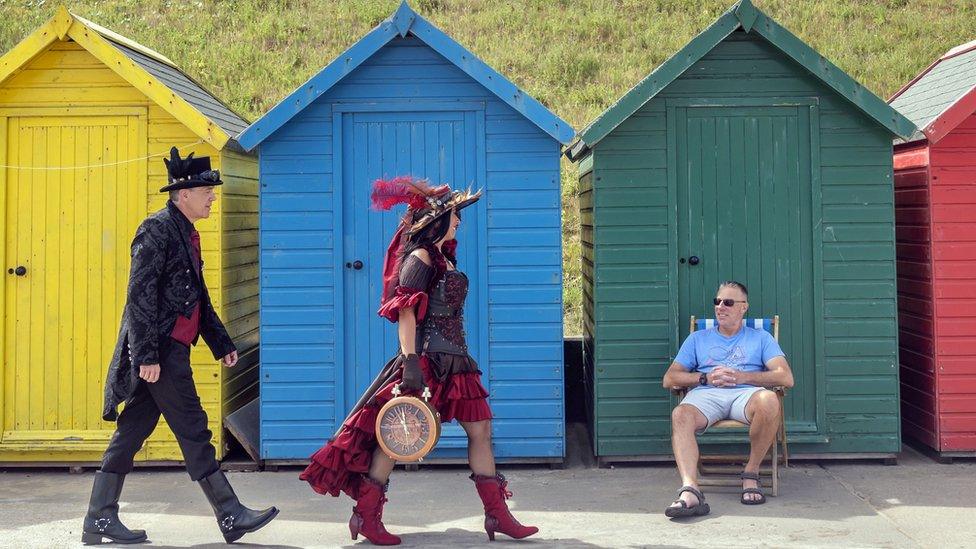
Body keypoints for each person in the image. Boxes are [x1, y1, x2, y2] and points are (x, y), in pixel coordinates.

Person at [299, 176, 537, 545]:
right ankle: (366, 516)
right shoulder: (421, 257)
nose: (458, 221)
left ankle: (497, 515)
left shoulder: (442, 256)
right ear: (437, 222)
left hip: (456, 361)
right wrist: (411, 363)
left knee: (481, 430)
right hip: (426, 359)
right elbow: (406, 313)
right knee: (396, 436)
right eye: (454, 216)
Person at [81, 147, 278, 545]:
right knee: (194, 429)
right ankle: (230, 514)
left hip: (172, 349)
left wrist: (221, 342)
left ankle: (99, 517)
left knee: (132, 431)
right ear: (183, 193)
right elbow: (139, 297)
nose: (213, 197)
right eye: (207, 190)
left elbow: (196, 297)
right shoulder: (156, 230)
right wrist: (147, 356)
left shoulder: (186, 231)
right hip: (161, 352)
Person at [661, 281, 794, 517]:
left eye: (729, 302)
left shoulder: (760, 338)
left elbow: (785, 377)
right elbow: (670, 378)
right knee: (680, 413)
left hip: (746, 393)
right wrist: (705, 378)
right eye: (718, 301)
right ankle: (690, 490)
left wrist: (743, 375)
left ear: (744, 307)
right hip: (707, 394)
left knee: (770, 400)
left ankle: (751, 473)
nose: (721, 306)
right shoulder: (697, 339)